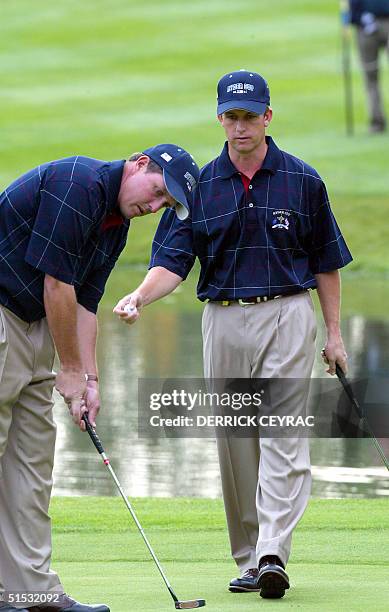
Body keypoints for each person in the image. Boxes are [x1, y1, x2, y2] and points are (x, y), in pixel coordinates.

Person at [114, 70, 352, 599]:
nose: (240, 126)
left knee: (284, 436)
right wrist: (139, 297)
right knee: (236, 443)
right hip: (222, 317)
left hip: (289, 312)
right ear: (219, 117)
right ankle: (249, 558)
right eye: (231, 116)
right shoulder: (199, 187)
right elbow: (172, 262)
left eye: (249, 116)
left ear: (268, 116)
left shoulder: (304, 180)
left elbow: (326, 262)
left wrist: (333, 335)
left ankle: (272, 552)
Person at [0, 144, 200, 612]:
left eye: (164, 206)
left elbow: (86, 304)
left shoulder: (116, 227)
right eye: (156, 193)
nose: (153, 207)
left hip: (38, 330)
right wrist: (69, 368)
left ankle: (31, 593)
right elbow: (57, 283)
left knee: (30, 467)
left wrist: (89, 379)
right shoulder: (80, 183)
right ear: (139, 163)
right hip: (5, 315)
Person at [349, 0, 389, 132]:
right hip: (365, 25)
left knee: (371, 79)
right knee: (370, 76)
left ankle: (377, 123)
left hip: (372, 23)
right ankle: (377, 121)